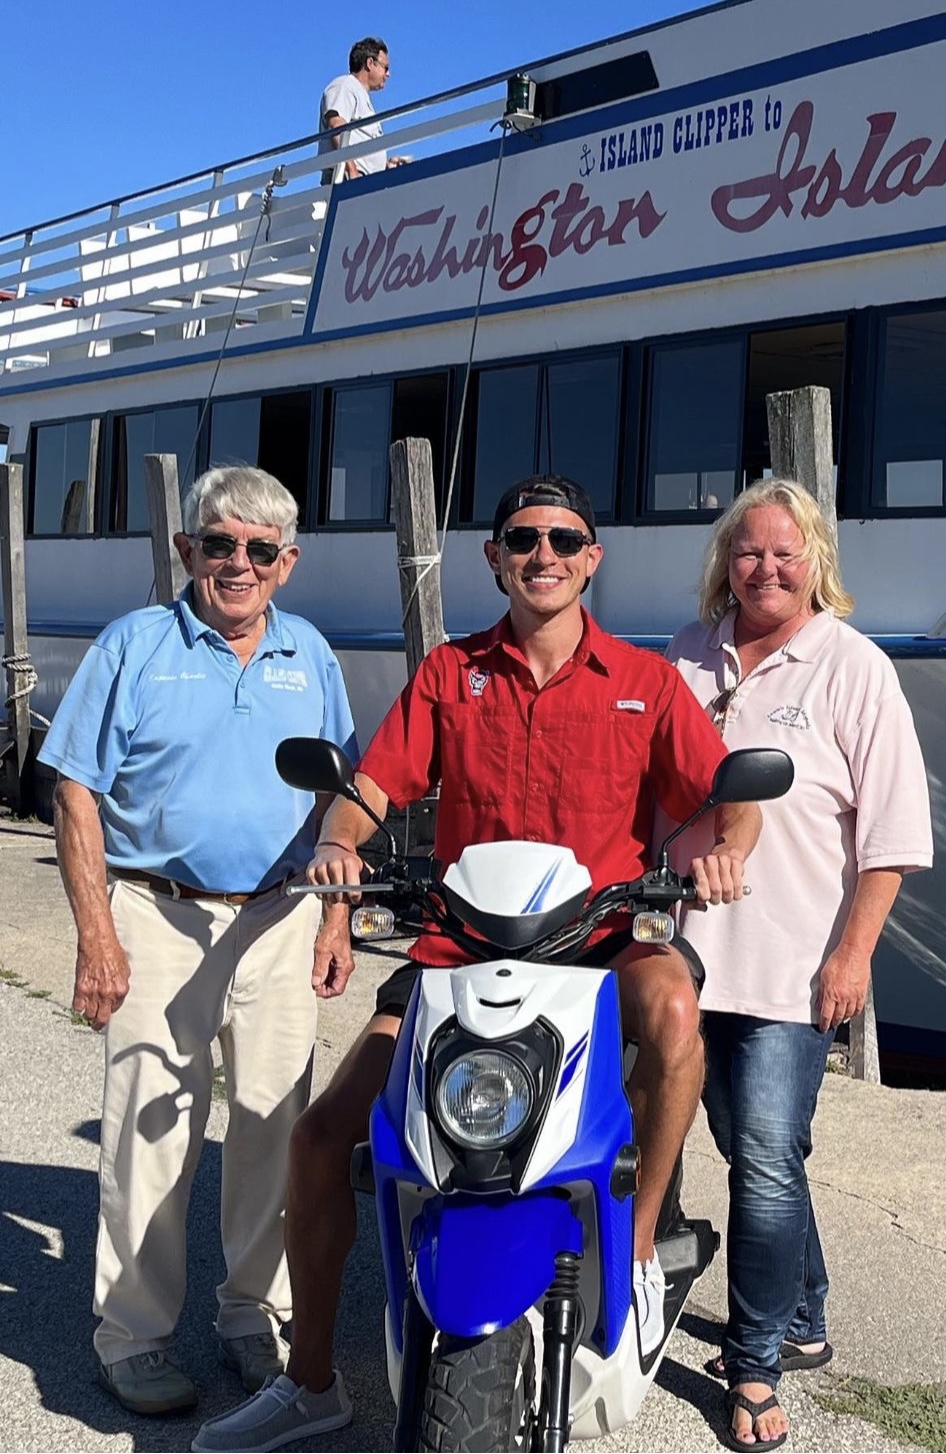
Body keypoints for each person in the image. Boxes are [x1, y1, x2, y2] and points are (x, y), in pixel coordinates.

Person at [194, 474, 763, 1453]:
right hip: (458, 945)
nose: (544, 554)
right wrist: (338, 844)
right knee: (323, 1137)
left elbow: (728, 794)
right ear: (495, 557)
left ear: (591, 558)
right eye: (523, 538)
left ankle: (636, 1240)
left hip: (600, 939)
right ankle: (310, 1380)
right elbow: (370, 789)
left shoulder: (643, 679)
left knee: (675, 1013)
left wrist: (727, 853)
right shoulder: (451, 673)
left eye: (564, 539)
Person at [38, 466, 358, 1417]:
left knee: (273, 1126)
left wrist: (336, 917)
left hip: (280, 914)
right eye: (219, 543)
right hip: (156, 911)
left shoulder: (311, 653)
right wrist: (97, 934)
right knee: (151, 1133)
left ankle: (252, 1316)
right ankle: (132, 1337)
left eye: (260, 549)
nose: (238, 564)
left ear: (287, 562)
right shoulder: (134, 645)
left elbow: (341, 798)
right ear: (187, 550)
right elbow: (74, 793)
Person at [663, 479, 933, 1451]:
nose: (766, 569)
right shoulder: (687, 655)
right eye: (749, 551)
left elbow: (892, 835)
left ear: (815, 560)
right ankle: (806, 1306)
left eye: (785, 553)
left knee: (768, 1157)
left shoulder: (853, 667)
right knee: (748, 1145)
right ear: (724, 561)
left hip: (794, 966)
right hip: (689, 957)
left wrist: (852, 956)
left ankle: (753, 1364)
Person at [318, 37, 407, 184]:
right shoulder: (345, 85)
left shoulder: (360, 95)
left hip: (366, 181)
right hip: (348, 180)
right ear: (370, 63)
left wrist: (384, 165)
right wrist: (352, 171)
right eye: (385, 68)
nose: (388, 74)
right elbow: (336, 126)